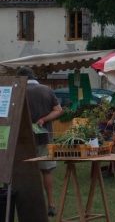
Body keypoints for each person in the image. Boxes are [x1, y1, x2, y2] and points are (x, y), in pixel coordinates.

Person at [17, 67, 63, 216]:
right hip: (44, 137)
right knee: (46, 170)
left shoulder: (19, 90)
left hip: (23, 139)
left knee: (25, 172)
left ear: (21, 78)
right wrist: (44, 119)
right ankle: (51, 204)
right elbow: (58, 110)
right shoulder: (47, 90)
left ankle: (30, 204)